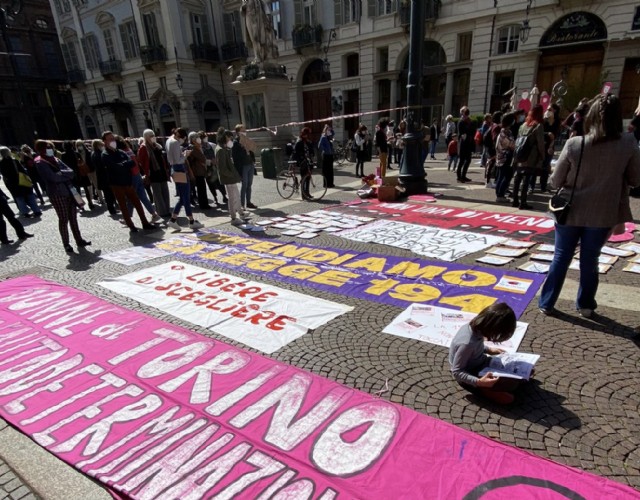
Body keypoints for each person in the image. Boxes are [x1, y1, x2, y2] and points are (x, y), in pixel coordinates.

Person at [539, 93, 640, 317]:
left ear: (592, 116)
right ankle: (585, 304)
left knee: (561, 256)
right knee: (590, 259)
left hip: (570, 210)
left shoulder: (575, 144)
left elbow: (555, 181)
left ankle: (547, 302)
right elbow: (636, 179)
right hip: (603, 212)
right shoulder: (628, 143)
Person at [449, 303, 521, 405]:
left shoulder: (476, 328)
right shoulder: (467, 344)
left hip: (481, 362)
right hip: (470, 374)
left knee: (522, 373)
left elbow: (477, 347)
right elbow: (456, 372)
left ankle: (492, 387)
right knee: (509, 396)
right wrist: (479, 382)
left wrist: (489, 349)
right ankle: (484, 389)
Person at [33, 140, 90, 252]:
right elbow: (53, 178)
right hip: (57, 193)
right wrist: (64, 175)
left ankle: (79, 240)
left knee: (73, 217)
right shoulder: (40, 162)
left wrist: (61, 173)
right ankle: (66, 243)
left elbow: (71, 172)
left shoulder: (56, 159)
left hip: (69, 191)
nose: (50, 149)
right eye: (48, 147)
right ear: (41, 149)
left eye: (51, 147)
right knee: (63, 219)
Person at [101, 131, 155, 233]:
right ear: (105, 141)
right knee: (123, 206)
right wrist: (124, 165)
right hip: (117, 184)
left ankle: (145, 223)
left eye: (113, 138)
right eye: (110, 139)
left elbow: (132, 163)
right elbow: (117, 167)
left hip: (128, 182)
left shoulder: (120, 152)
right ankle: (131, 226)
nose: (113, 141)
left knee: (137, 202)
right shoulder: (105, 155)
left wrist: (123, 165)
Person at [165, 128, 203, 231]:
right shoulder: (176, 143)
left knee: (183, 197)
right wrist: (186, 155)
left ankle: (173, 220)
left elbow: (172, 158)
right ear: (181, 137)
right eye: (183, 139)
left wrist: (182, 153)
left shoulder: (169, 140)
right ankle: (191, 221)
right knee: (185, 196)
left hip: (174, 169)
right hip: (179, 169)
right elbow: (179, 160)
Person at [119, 136, 161, 223]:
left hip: (131, 176)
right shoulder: (129, 150)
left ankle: (127, 217)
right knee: (141, 196)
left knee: (131, 197)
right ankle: (153, 214)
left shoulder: (122, 153)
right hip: (137, 174)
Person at [511, 104, 545, 210]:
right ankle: (523, 201)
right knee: (527, 178)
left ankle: (515, 200)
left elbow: (517, 140)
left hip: (519, 153)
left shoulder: (523, 125)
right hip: (531, 155)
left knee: (518, 177)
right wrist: (542, 155)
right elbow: (540, 143)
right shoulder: (538, 126)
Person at [137, 129, 172, 218]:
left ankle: (167, 210)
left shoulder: (157, 146)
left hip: (162, 172)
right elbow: (141, 161)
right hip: (153, 173)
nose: (153, 137)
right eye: (150, 136)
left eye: (153, 135)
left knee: (165, 192)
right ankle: (162, 212)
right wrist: (146, 172)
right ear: (146, 137)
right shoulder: (143, 147)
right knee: (157, 194)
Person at [0, 146, 42, 218]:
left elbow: (4, 174)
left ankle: (25, 213)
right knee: (30, 196)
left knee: (19, 199)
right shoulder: (15, 161)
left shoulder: (1, 163)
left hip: (12, 183)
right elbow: (23, 170)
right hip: (22, 180)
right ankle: (36, 211)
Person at [215, 129, 243, 226]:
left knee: (236, 195)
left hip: (230, 177)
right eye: (229, 137)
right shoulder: (220, 150)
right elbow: (222, 168)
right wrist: (232, 175)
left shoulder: (224, 149)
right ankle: (233, 217)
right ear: (224, 138)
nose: (231, 139)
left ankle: (240, 212)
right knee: (232, 198)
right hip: (228, 178)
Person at [232, 123, 258, 210]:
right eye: (243, 131)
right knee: (244, 185)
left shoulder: (247, 140)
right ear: (238, 132)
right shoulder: (236, 143)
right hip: (243, 166)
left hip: (250, 164)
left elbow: (251, 152)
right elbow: (236, 157)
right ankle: (242, 204)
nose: (245, 132)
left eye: (245, 130)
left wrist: (253, 160)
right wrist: (243, 148)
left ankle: (249, 202)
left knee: (249, 184)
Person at [61, 141, 93, 210]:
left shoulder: (63, 155)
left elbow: (63, 166)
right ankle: (90, 203)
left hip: (72, 174)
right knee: (86, 189)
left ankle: (81, 205)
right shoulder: (76, 153)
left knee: (76, 192)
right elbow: (82, 162)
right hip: (81, 173)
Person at [200, 130, 227, 207]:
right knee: (210, 183)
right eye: (204, 137)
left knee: (220, 182)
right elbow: (201, 159)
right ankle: (215, 197)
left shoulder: (212, 145)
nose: (206, 138)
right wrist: (209, 161)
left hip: (215, 166)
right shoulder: (200, 148)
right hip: (207, 168)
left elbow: (218, 154)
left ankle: (224, 195)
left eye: (206, 136)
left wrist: (216, 160)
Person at [186, 131, 213, 210]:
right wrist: (209, 161)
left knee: (202, 188)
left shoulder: (196, 147)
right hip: (197, 171)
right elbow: (202, 157)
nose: (199, 139)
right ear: (193, 139)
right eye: (197, 137)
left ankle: (204, 203)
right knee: (201, 189)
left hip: (199, 170)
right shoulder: (193, 147)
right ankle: (204, 204)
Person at [91, 139, 117, 215]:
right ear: (97, 146)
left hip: (102, 177)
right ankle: (111, 208)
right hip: (104, 176)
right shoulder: (98, 154)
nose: (103, 146)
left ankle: (112, 207)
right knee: (108, 193)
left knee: (108, 193)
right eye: (101, 145)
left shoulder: (94, 153)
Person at [494, 113, 516, 203]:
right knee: (505, 177)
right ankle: (500, 195)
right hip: (504, 158)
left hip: (501, 157)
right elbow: (511, 145)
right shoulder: (504, 133)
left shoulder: (506, 132)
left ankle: (500, 194)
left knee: (501, 176)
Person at [293, 127, 315, 200]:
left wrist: (312, 155)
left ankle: (307, 192)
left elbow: (311, 150)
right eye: (306, 134)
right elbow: (296, 152)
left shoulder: (308, 142)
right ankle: (303, 195)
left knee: (308, 177)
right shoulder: (299, 142)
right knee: (303, 178)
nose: (307, 136)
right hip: (303, 162)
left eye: (308, 134)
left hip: (309, 162)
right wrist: (301, 158)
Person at [456, 106, 475, 183]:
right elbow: (461, 133)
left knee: (468, 160)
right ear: (462, 113)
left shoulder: (469, 121)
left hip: (468, 143)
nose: (466, 114)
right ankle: (459, 177)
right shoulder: (461, 121)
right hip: (463, 143)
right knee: (462, 161)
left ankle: (463, 175)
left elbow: (472, 130)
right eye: (464, 112)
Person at [318, 124, 335, 188]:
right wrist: (324, 149)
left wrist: (331, 129)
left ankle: (331, 183)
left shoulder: (329, 136)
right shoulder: (323, 137)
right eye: (327, 130)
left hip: (330, 155)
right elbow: (319, 145)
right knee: (326, 171)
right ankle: (326, 184)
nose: (329, 131)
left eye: (329, 130)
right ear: (325, 130)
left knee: (331, 170)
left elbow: (333, 133)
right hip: (326, 155)